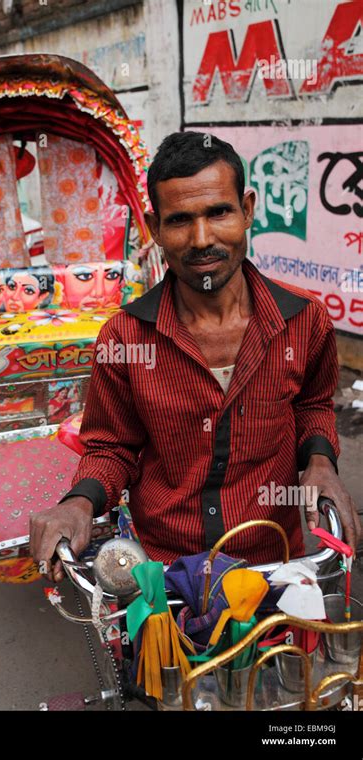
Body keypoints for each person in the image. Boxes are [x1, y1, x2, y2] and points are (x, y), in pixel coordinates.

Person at [30, 132, 361, 582]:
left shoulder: (305, 320)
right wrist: (78, 502)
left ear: (247, 210)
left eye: (218, 212)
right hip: (165, 569)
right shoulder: (125, 336)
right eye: (181, 220)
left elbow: (312, 405)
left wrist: (321, 463)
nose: (202, 239)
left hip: (275, 555)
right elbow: (112, 445)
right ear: (156, 228)